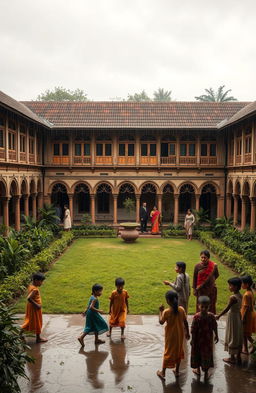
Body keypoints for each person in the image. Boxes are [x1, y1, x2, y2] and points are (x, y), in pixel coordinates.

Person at [157, 291, 190, 380]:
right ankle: (177, 371)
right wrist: (188, 332)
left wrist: (160, 311)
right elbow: (185, 322)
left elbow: (161, 322)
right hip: (180, 335)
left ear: (168, 300)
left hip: (170, 336)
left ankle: (163, 372)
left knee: (168, 352)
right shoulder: (181, 309)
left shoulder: (166, 312)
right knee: (179, 351)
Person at [190, 296, 218, 380]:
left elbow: (214, 326)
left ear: (209, 306)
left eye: (206, 307)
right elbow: (193, 330)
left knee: (199, 354)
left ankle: (202, 372)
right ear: (198, 305)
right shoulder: (210, 316)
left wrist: (216, 335)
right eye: (202, 307)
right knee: (204, 355)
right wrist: (192, 339)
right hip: (203, 341)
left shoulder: (197, 317)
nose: (204, 309)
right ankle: (202, 372)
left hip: (202, 341)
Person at [216, 277, 243, 364]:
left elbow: (227, 309)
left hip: (232, 317)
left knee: (232, 334)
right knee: (237, 335)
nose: (229, 287)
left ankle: (232, 358)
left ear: (235, 287)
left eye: (230, 285)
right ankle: (238, 356)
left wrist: (219, 316)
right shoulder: (240, 295)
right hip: (237, 316)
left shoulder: (233, 297)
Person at [21, 272, 48, 343]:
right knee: (36, 322)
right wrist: (37, 305)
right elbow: (29, 298)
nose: (42, 283)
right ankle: (38, 338)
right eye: (41, 281)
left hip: (31, 307)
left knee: (30, 321)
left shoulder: (31, 286)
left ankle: (22, 335)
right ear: (36, 280)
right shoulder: (35, 289)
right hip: (35, 308)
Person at [193, 250, 219, 314]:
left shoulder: (213, 266)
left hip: (211, 289)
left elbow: (216, 275)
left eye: (205, 257)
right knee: (200, 304)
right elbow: (195, 278)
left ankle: (211, 318)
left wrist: (209, 280)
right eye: (202, 257)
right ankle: (199, 318)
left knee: (211, 304)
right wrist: (194, 289)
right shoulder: (197, 266)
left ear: (208, 258)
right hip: (201, 290)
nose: (203, 259)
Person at [241, 275, 256, 354]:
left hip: (247, 316)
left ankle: (251, 346)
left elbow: (246, 307)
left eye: (242, 283)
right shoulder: (251, 292)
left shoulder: (246, 294)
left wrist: (243, 318)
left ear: (246, 284)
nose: (241, 285)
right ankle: (245, 348)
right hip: (252, 313)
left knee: (245, 333)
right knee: (246, 333)